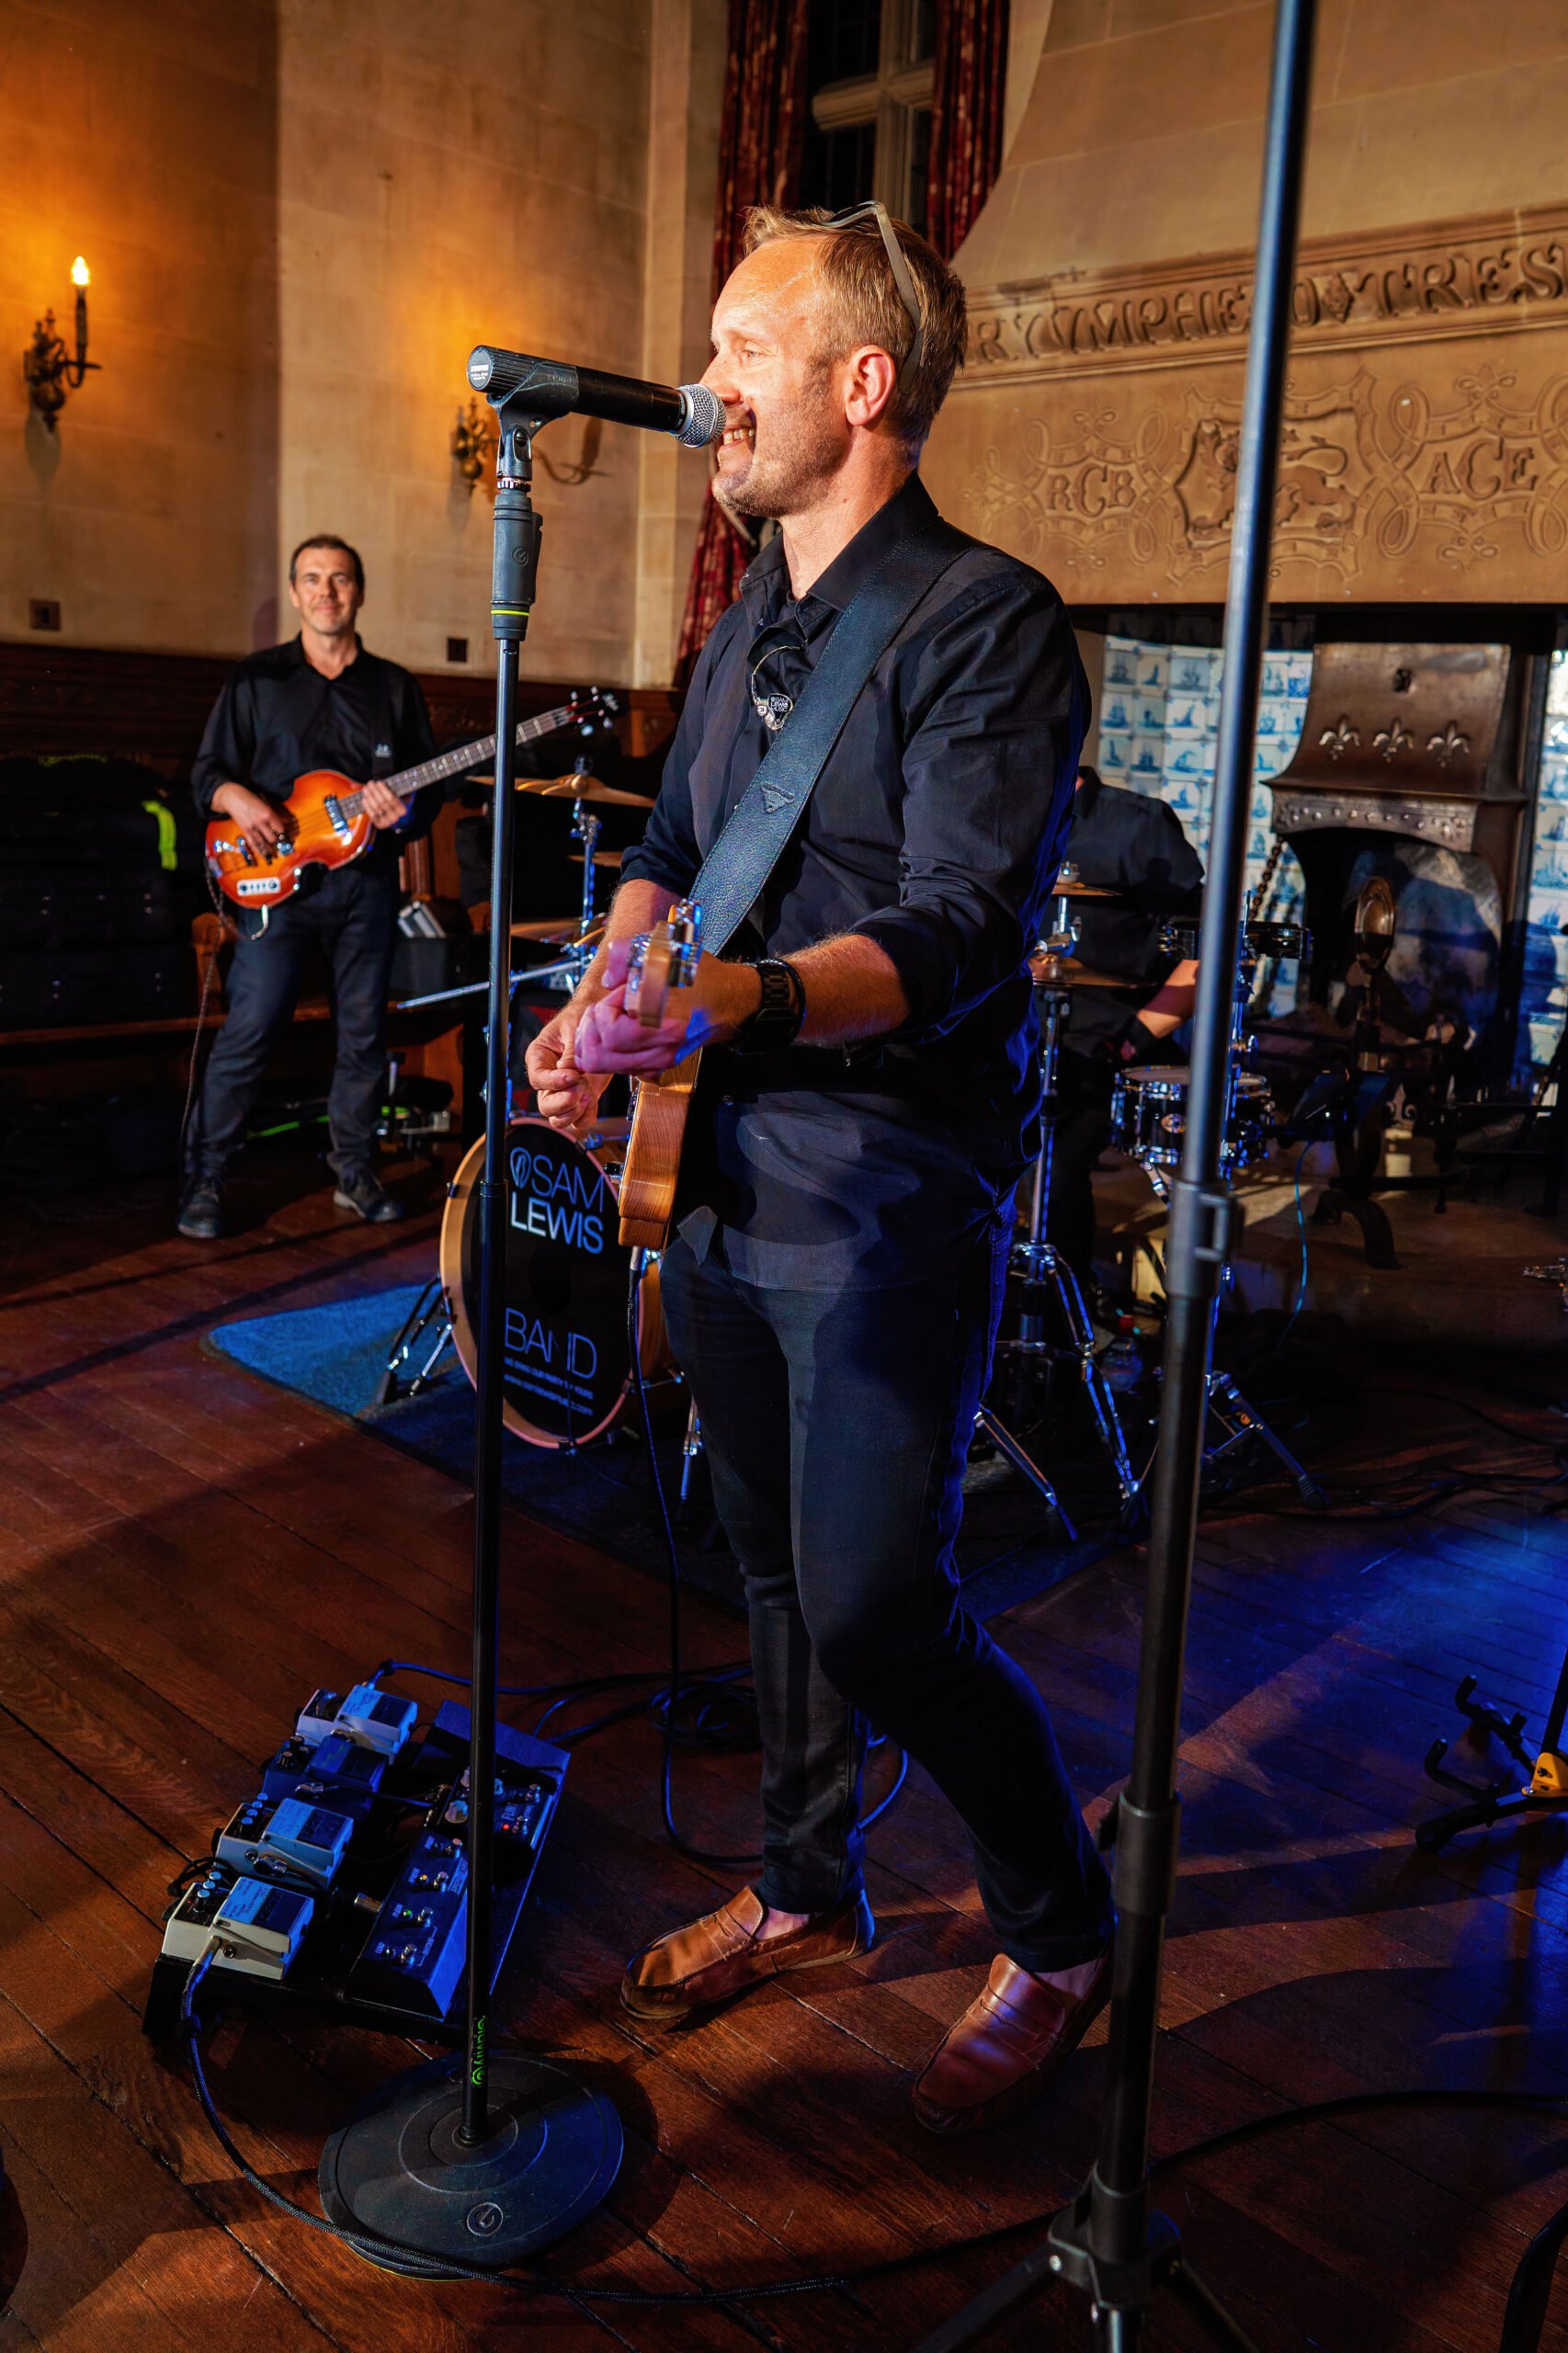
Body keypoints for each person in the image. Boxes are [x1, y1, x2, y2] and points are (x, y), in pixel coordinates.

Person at [526, 202, 1116, 2137]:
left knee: (877, 1604)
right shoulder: (741, 627)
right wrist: (607, 998)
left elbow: (954, 932)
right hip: (710, 1160)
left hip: (880, 1191)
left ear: (862, 387)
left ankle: (1065, 1922)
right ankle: (804, 1876)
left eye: (742, 351)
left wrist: (720, 995)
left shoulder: (987, 623)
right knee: (765, 1563)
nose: (709, 385)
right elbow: (674, 849)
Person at [177, 536, 436, 1239]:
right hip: (272, 887)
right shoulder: (256, 680)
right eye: (313, 579)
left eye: (341, 579)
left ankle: (354, 1170)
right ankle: (205, 1180)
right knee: (252, 1028)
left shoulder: (394, 688)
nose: (327, 592)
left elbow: (427, 801)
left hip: (366, 889)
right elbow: (206, 774)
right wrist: (237, 798)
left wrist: (404, 810)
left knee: (363, 1033)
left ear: (359, 591)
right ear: (295, 593)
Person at [1046, 765, 1204, 1290]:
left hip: (1109, 1049)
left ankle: (1062, 1311)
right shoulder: (1006, 813)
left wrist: (1135, 1035)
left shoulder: (1136, 825)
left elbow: (1209, 948)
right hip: (1023, 1039)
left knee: (1058, 1161)